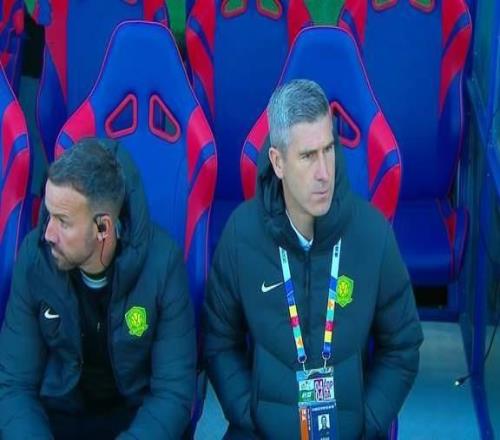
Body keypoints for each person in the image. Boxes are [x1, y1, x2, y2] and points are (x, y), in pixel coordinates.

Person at [203, 79, 423, 439]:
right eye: (307, 156)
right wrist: (247, 413)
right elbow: (219, 341)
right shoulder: (241, 235)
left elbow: (403, 344)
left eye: (328, 150)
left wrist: (367, 421)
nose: (324, 173)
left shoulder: (373, 234)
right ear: (278, 162)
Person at [0, 138, 196, 439]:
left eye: (63, 222)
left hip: (136, 417)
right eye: (48, 214)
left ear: (103, 228)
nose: (48, 233)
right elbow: (14, 383)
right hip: (57, 416)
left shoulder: (163, 264)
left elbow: (173, 393)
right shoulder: (34, 256)